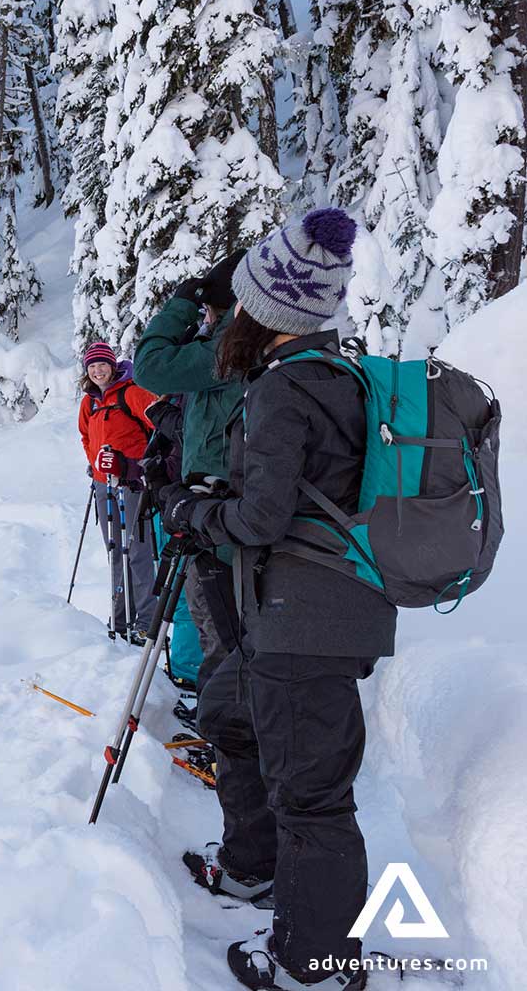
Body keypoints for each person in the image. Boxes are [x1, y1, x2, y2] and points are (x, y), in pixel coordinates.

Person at [159, 209, 396, 990]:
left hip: (305, 621)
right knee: (230, 710)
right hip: (305, 612)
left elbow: (258, 518)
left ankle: (315, 965)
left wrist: (195, 512)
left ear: (268, 312)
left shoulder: (287, 391)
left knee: (314, 799)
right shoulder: (338, 374)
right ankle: (255, 868)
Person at [135, 249, 246, 699]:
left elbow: (151, 366)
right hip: (217, 513)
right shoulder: (237, 347)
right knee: (215, 625)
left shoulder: (229, 346)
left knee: (219, 629)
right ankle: (226, 726)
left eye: (206, 306)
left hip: (218, 519)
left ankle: (233, 742)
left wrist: (182, 303)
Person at [77, 342, 158, 644]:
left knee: (138, 553)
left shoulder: (131, 393)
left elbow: (162, 430)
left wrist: (137, 467)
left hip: (133, 484)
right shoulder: (90, 402)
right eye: (92, 366)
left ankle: (146, 622)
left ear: (113, 365)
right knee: (115, 551)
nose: (97, 371)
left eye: (102, 365)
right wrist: (94, 465)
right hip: (103, 485)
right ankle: (121, 616)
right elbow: (86, 435)